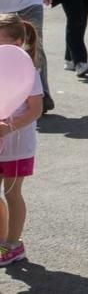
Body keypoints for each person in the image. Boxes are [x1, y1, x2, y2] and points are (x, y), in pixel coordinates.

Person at [0, 14, 43, 267]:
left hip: (17, 144)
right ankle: (3, 237)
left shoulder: (29, 71)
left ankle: (14, 244)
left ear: (17, 43)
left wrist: (9, 127)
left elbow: (35, 109)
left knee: (12, 192)